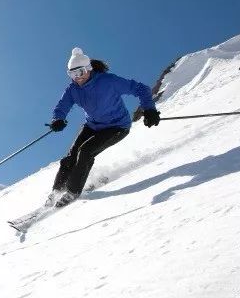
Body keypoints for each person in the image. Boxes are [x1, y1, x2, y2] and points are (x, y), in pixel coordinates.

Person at [47, 47, 160, 207]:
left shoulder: (108, 81)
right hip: (92, 125)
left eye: (79, 73)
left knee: (85, 152)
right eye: (71, 74)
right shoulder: (73, 89)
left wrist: (149, 109)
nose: (76, 78)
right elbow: (63, 105)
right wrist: (58, 119)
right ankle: (56, 191)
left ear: (88, 69)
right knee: (70, 157)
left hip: (117, 126)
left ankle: (72, 191)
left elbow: (141, 89)